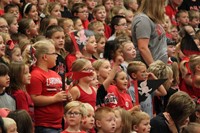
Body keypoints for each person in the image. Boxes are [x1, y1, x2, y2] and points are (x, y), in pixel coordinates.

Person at [27, 39, 71, 133]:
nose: (56, 56)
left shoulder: (55, 74)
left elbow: (58, 93)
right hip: (43, 125)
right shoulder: (35, 75)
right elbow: (33, 98)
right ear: (45, 57)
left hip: (58, 123)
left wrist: (66, 96)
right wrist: (54, 98)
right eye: (54, 53)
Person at [131, 0, 168, 66]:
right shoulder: (143, 20)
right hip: (150, 68)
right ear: (155, 5)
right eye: (162, 5)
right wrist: (154, 68)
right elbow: (143, 48)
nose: (164, 8)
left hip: (160, 65)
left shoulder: (152, 19)